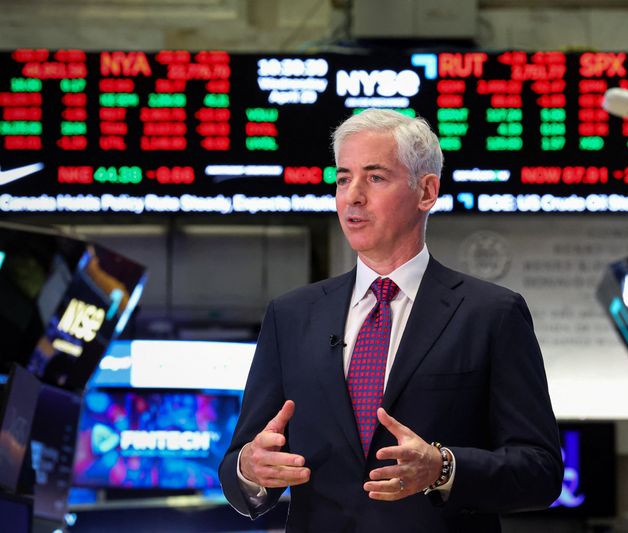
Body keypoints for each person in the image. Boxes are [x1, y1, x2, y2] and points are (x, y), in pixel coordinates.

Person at [219, 109, 563, 532]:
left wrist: (443, 467)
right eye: (344, 178)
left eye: (375, 177)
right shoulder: (290, 316)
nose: (353, 196)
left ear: (426, 191)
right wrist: (250, 470)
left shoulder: (491, 314)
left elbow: (541, 471)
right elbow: (239, 471)